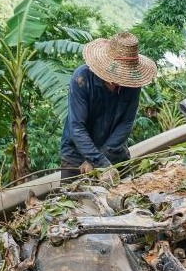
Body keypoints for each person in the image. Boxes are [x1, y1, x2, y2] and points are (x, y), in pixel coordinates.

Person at [59, 31, 157, 182]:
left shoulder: (132, 82)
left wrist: (102, 159)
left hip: (113, 150)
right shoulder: (82, 78)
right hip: (76, 153)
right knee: (73, 200)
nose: (118, 81)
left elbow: (126, 124)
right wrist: (99, 161)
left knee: (126, 195)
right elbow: (77, 126)